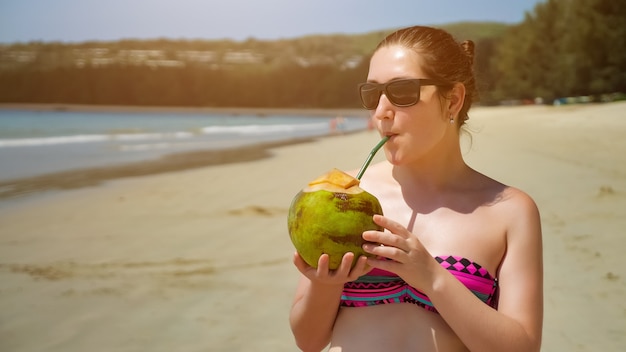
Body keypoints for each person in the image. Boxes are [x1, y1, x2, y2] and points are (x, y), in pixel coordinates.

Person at [289, 25, 543, 352]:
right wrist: (324, 285)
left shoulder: (510, 211)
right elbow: (308, 341)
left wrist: (432, 278)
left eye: (402, 91)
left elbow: (521, 347)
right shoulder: (342, 199)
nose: (380, 112)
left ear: (452, 100)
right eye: (372, 94)